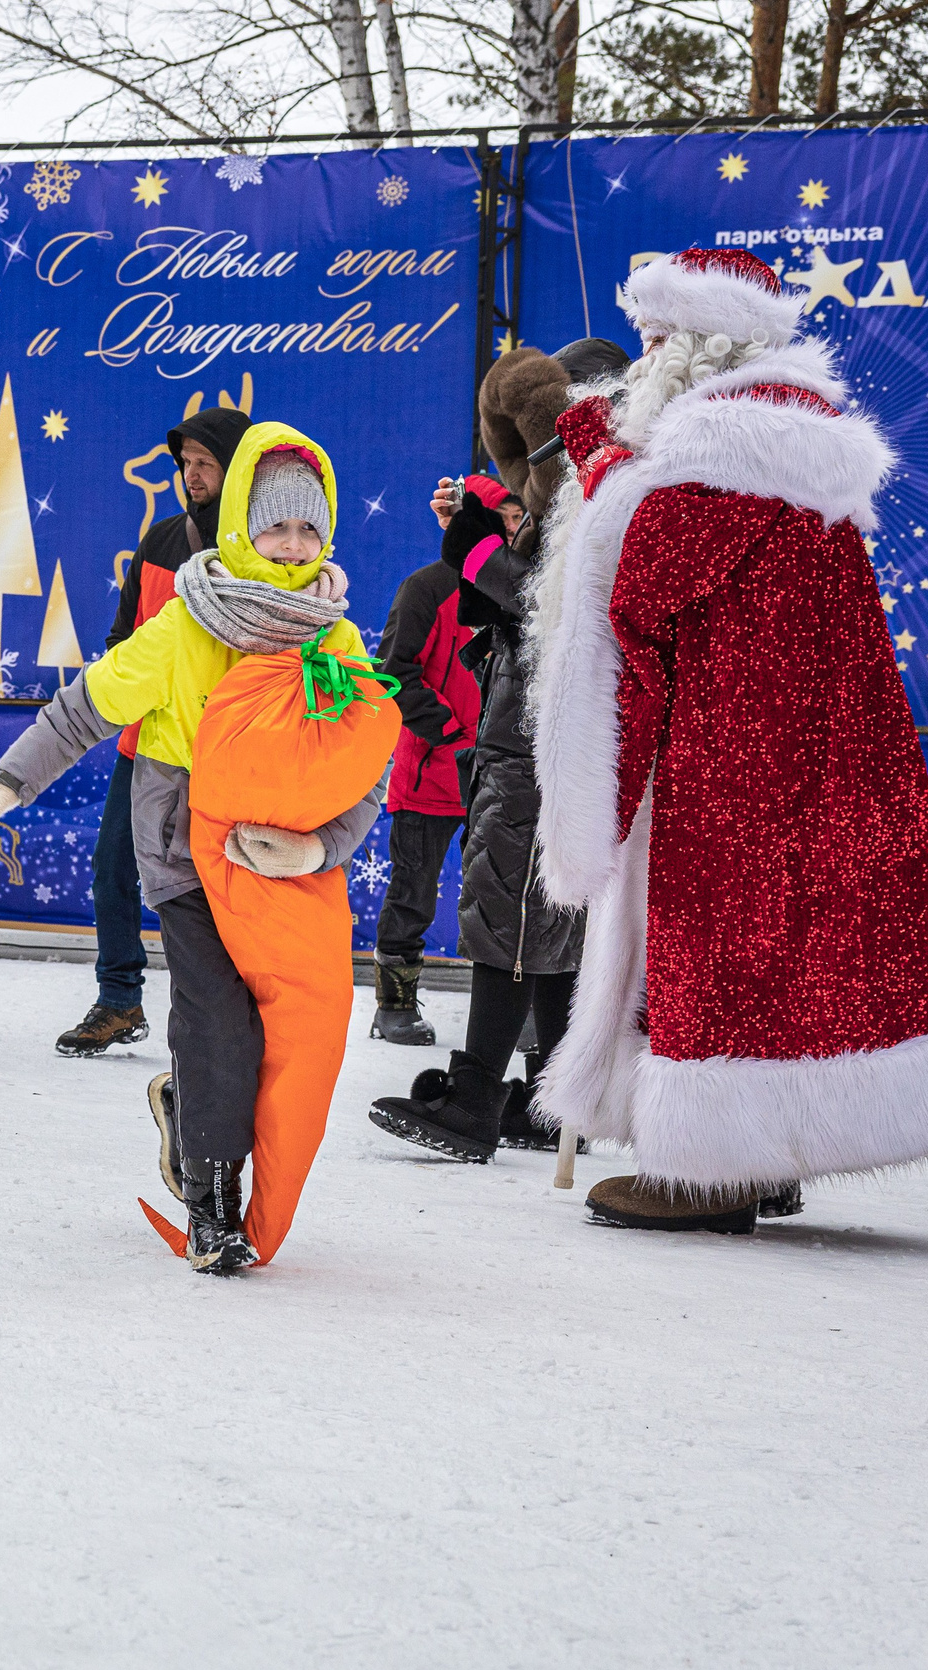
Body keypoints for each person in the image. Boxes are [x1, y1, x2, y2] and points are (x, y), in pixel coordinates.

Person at [527, 248, 928, 1230]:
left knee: (723, 945)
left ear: (699, 348)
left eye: (658, 339)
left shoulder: (717, 465)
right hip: (811, 747)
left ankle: (710, 1168)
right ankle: (765, 1153)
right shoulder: (795, 452)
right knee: (795, 948)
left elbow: (646, 587)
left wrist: (596, 459)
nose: (644, 359)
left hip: (733, 753)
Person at [0, 427, 386, 1273]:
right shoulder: (186, 627)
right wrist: (7, 785)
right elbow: (83, 710)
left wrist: (321, 848)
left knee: (287, 1036)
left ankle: (192, 1112)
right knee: (219, 1022)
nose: (292, 546)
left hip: (281, 867)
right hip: (188, 863)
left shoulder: (334, 641)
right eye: (275, 526)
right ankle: (215, 1204)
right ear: (240, 527)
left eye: (308, 529)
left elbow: (365, 768)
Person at [369, 340, 625, 1161]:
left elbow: (554, 613)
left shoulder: (602, 500)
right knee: (545, 923)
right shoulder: (594, 499)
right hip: (542, 740)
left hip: (536, 747)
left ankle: (477, 1095)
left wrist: (474, 551)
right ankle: (554, 1097)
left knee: (508, 917)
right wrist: (476, 542)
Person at [58, 406, 251, 1058]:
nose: (191, 475)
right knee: (112, 867)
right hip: (146, 748)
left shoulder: (262, 550)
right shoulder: (160, 540)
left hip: (228, 755)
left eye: (205, 464)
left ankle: (222, 1015)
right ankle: (118, 1000)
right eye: (185, 464)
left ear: (237, 468)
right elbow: (122, 641)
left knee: (220, 885)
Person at [365, 474, 495, 1046]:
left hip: (500, 780)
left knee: (501, 902)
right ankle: (394, 1005)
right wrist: (455, 733)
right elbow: (393, 672)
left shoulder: (518, 593)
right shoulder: (426, 587)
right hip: (432, 775)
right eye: (503, 518)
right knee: (412, 894)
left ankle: (505, 1016)